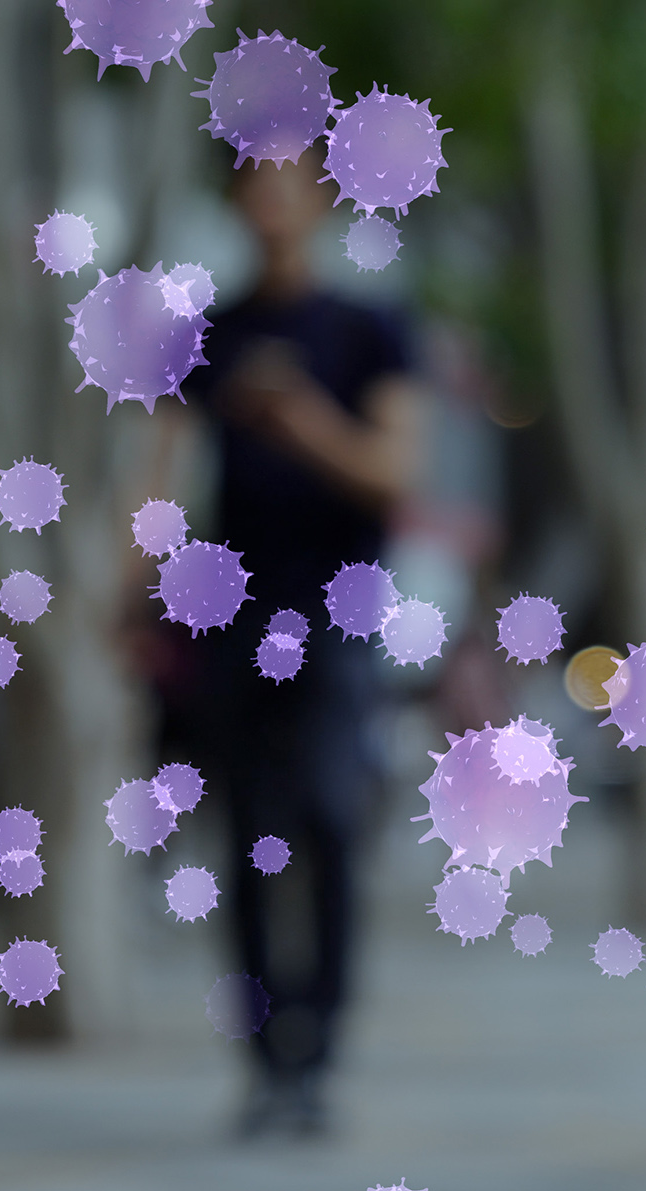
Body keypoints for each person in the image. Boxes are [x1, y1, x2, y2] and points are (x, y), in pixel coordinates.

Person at [164, 153, 419, 1137]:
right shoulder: (208, 336)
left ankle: (322, 1043)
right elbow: (161, 477)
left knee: (329, 820)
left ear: (322, 194)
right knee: (248, 840)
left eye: (289, 180)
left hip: (336, 616)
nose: (271, 200)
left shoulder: (368, 329)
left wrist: (296, 416)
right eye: (253, 181)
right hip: (231, 620)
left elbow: (397, 473)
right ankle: (266, 1055)